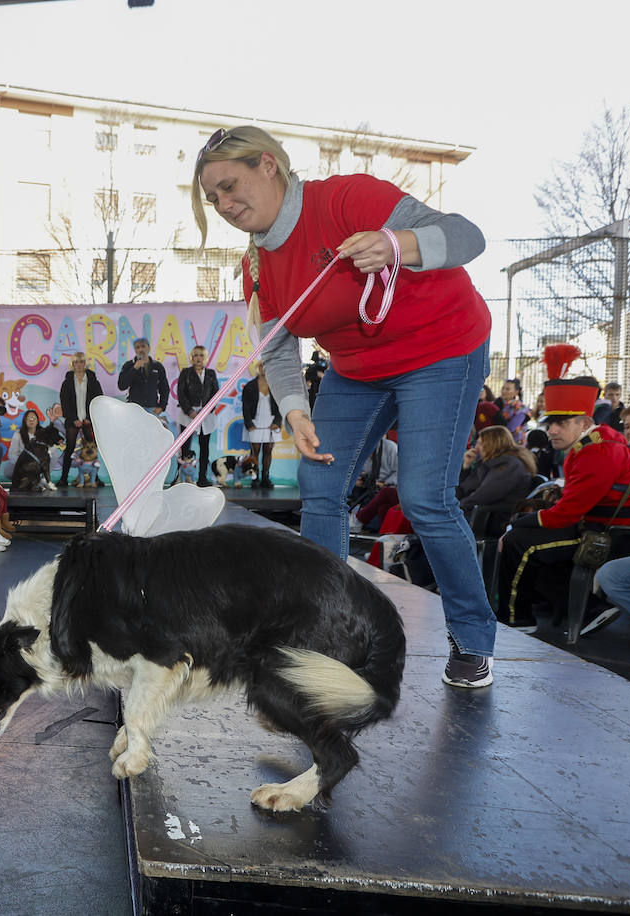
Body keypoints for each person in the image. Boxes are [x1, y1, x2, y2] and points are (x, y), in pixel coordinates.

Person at [194, 124, 496, 688]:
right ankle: (326, 633)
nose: (225, 205)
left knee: (425, 497)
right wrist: (294, 409)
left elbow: (467, 235)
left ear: (268, 165)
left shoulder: (349, 199)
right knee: (319, 489)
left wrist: (397, 245)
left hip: (442, 349)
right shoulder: (257, 264)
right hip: (357, 370)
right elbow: (278, 344)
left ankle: (474, 639)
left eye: (230, 187)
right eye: (213, 199)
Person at [496, 376, 630, 635]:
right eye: (550, 423)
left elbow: (566, 513)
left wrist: (516, 523)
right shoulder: (591, 444)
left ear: (585, 423)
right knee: (527, 542)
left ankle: (516, 619)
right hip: (599, 527)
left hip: (616, 535)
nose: (552, 430)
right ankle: (590, 609)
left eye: (561, 423)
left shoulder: (599, 450)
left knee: (519, 542)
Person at [458, 425, 536, 521]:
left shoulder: (509, 466)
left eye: (480, 444)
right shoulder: (492, 463)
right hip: (480, 512)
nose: (476, 448)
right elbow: (465, 488)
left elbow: (484, 495)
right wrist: (466, 466)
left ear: (492, 444)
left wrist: (456, 508)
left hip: (492, 518)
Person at [57, 352, 104, 489]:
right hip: (73, 420)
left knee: (92, 448)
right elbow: (64, 403)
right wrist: (73, 419)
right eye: (76, 362)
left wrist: (90, 418)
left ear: (85, 363)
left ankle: (95, 478)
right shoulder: (67, 382)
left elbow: (98, 400)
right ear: (73, 364)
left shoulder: (93, 381)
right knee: (70, 448)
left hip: (88, 420)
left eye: (81, 362)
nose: (79, 365)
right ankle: (63, 478)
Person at [176, 345, 221, 486]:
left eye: (201, 355)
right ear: (192, 357)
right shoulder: (185, 373)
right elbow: (181, 394)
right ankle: (181, 478)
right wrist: (190, 411)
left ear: (205, 358)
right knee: (185, 447)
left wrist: (206, 411)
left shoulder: (211, 374)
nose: (198, 358)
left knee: (204, 447)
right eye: (195, 355)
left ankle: (202, 478)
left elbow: (216, 394)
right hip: (188, 414)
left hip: (206, 415)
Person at [240, 363, 281, 489]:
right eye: (262, 366)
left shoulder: (276, 385)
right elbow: (245, 408)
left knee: (268, 450)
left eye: (266, 365)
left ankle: (265, 477)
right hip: (255, 422)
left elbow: (281, 404)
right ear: (258, 369)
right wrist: (249, 423)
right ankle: (255, 477)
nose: (264, 368)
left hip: (271, 422)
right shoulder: (250, 386)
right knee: (255, 451)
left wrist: (278, 422)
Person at [118, 337, 169, 419]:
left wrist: (162, 406)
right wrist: (134, 368)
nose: (141, 349)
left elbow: (164, 388)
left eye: (143, 346)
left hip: (152, 408)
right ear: (135, 350)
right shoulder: (128, 365)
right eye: (137, 347)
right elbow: (122, 386)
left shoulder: (157, 366)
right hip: (134, 409)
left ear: (149, 348)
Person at [495, 378, 531, 444]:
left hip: (515, 443)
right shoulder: (497, 404)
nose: (504, 391)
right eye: (503, 388)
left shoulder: (521, 407)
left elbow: (510, 428)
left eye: (507, 389)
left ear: (516, 392)